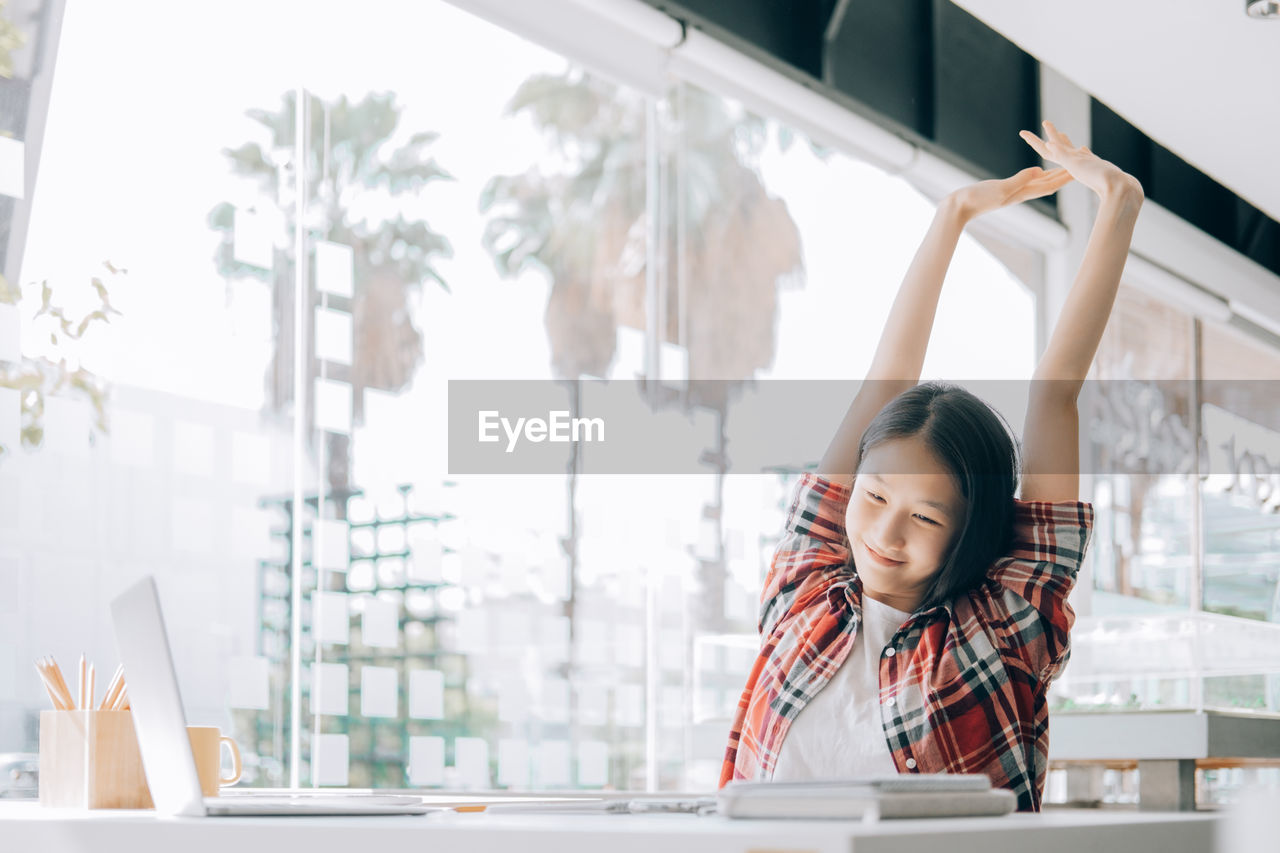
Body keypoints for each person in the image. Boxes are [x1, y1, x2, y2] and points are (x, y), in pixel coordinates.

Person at [719, 121, 1145, 812]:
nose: (885, 531)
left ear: (969, 528)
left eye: (925, 515)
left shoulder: (1006, 623)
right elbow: (886, 380)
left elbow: (1056, 391)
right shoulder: (805, 587)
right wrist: (954, 214)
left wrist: (1119, 205)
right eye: (875, 495)